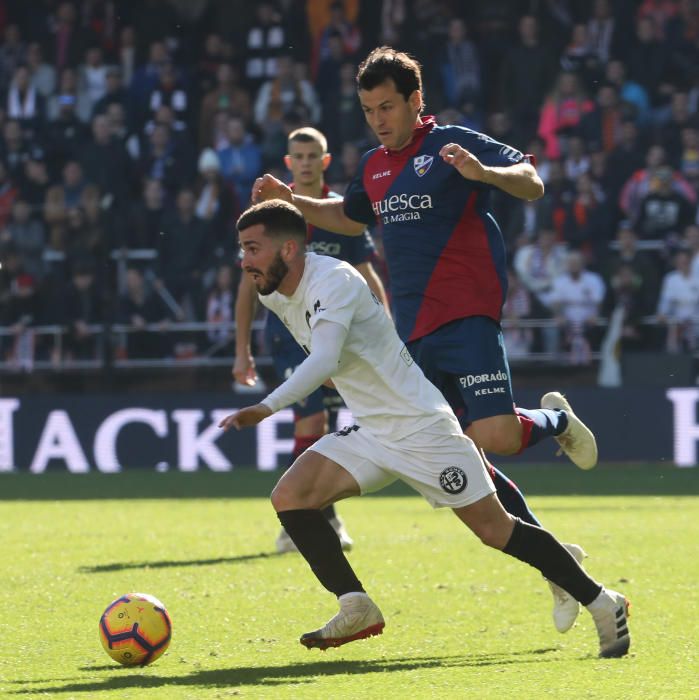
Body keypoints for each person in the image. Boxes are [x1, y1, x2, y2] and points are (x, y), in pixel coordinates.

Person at [252, 47, 597, 634]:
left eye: (388, 106)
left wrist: (485, 174)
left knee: (492, 436)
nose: (379, 119)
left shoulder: (451, 145)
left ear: (416, 101)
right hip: (409, 334)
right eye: (368, 110)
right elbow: (351, 217)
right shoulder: (375, 167)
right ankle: (559, 569)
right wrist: (294, 203)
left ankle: (553, 423)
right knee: (475, 457)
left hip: (467, 316)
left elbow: (533, 182)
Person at [219, 199, 631, 658]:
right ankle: (356, 605)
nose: (245, 261)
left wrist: (268, 405)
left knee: (496, 531)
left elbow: (326, 358)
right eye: (242, 249)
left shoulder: (333, 280)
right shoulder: (273, 292)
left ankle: (601, 600)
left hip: (421, 426)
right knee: (290, 497)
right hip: (373, 431)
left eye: (253, 249)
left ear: (290, 249)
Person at [234, 126, 390, 554]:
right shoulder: (270, 216)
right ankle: (298, 522)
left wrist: (389, 330)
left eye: (312, 156)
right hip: (288, 338)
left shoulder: (338, 212)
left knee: (331, 428)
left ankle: (324, 516)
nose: (304, 162)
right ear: (288, 162)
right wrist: (242, 350)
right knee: (311, 424)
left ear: (324, 161)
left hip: (337, 338)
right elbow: (249, 285)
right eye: (297, 156)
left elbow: (367, 273)